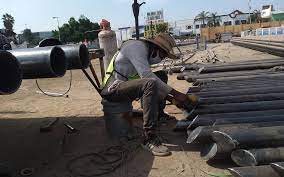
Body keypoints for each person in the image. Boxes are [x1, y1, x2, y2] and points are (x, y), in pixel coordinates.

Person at [101, 33, 198, 156]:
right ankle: (149, 138)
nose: (161, 60)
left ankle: (159, 114)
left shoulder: (144, 53)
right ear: (156, 49)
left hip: (125, 87)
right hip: (112, 90)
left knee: (160, 76)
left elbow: (146, 80)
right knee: (150, 82)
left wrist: (172, 99)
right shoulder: (136, 47)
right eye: (163, 56)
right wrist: (177, 94)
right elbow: (147, 77)